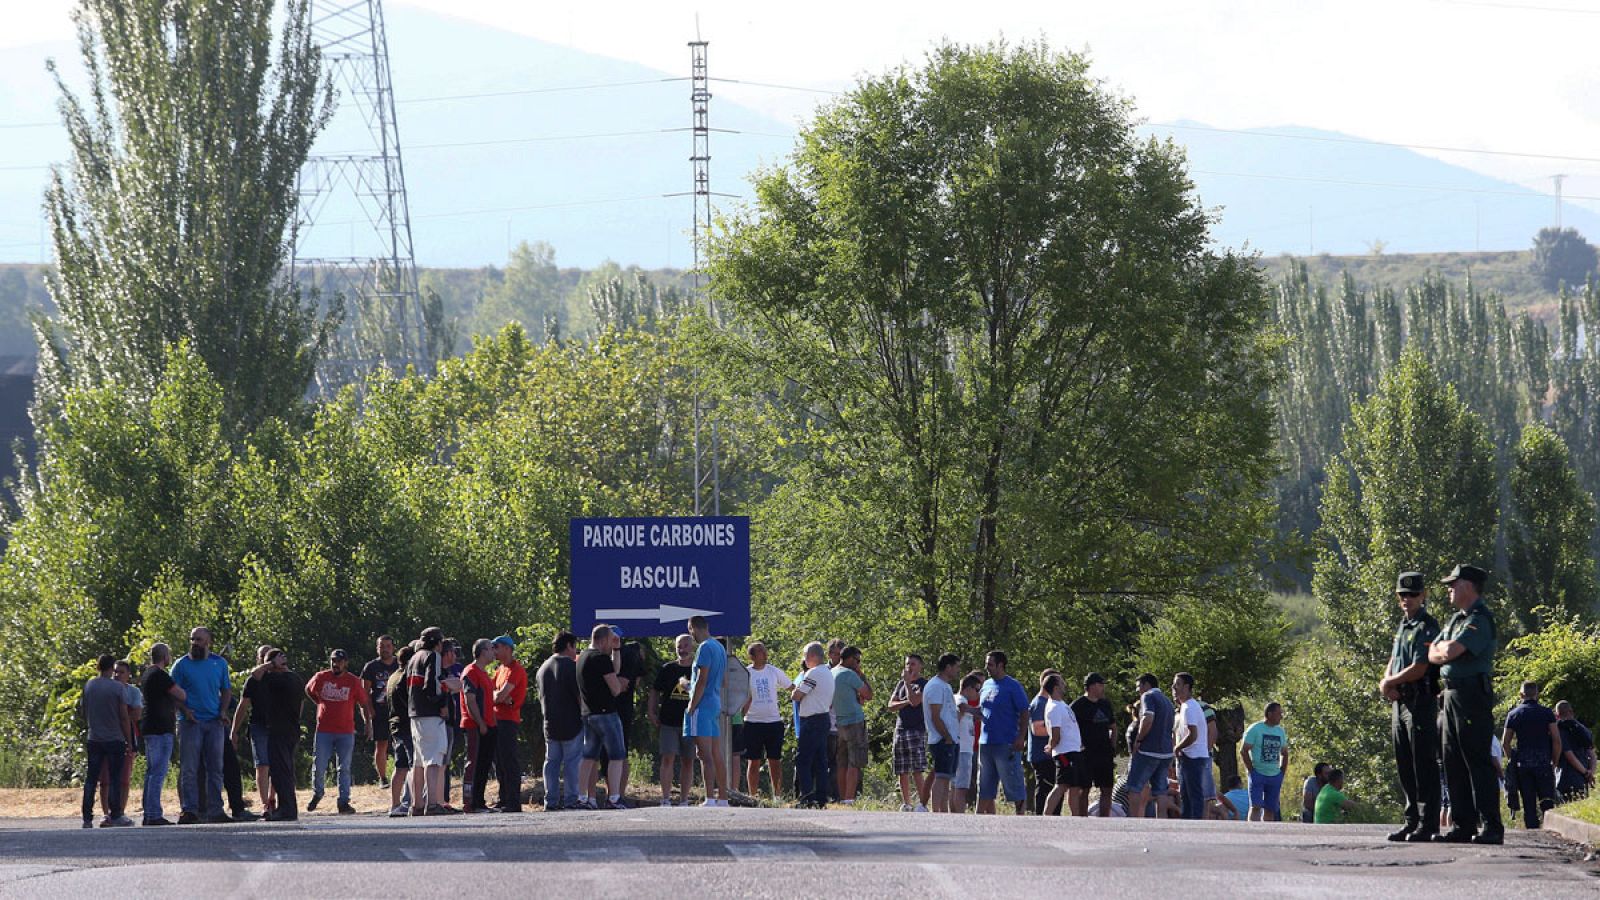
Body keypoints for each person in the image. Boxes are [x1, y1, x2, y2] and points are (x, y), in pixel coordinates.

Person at [1428, 564, 1503, 844]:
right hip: (1450, 694)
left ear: (1468, 586)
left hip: (1471, 694)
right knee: (1452, 761)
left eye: (1453, 584)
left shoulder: (1480, 619)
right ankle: (1463, 825)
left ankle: (1491, 826)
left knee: (1476, 760)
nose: (1449, 588)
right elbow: (1432, 651)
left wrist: (1444, 651)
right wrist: (1443, 651)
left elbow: (1451, 649)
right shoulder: (1455, 620)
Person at [1377, 571, 1442, 842]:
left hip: (1420, 701)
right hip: (1401, 700)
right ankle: (1411, 820)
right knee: (1405, 763)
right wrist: (1386, 682)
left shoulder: (1427, 626)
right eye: (1403, 594)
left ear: (1423, 595)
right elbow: (1394, 659)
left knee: (1422, 764)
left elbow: (1420, 666)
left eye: (1413, 594)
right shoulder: (1404, 625)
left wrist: (1390, 681)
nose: (1408, 599)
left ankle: (1428, 824)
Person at [170, 626, 232, 824]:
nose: (194, 643)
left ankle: (216, 810)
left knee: (216, 768)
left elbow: (226, 690)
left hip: (214, 722)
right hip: (190, 723)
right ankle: (190, 810)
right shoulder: (181, 665)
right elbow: (171, 692)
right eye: (192, 639)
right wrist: (184, 710)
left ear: (208, 642)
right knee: (189, 768)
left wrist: (223, 711)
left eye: (198, 639)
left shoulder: (219, 663)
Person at [304, 649, 372, 814]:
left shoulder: (353, 681)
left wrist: (368, 723)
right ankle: (318, 793)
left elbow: (364, 703)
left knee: (344, 767)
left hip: (345, 730)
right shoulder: (321, 677)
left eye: (339, 661)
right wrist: (319, 702)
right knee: (319, 764)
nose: (336, 664)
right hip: (324, 729)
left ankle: (343, 801)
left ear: (345, 663)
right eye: (333, 661)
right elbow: (308, 689)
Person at [407, 626, 463, 815]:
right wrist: (443, 698)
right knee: (433, 759)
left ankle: (416, 804)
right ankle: (432, 803)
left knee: (418, 762)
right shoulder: (433, 656)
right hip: (430, 714)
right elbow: (431, 686)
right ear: (438, 643)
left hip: (414, 713)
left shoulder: (413, 658)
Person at [578, 625, 632, 810]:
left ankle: (582, 797)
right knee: (617, 755)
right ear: (602, 640)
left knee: (589, 756)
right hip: (606, 713)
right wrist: (619, 686)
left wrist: (616, 650)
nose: (612, 644)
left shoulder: (583, 656)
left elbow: (613, 669)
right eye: (611, 640)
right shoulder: (600, 658)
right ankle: (614, 797)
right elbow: (616, 689)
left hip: (588, 713)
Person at [81, 654, 134, 828]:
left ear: (98, 667)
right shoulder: (117, 688)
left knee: (91, 779)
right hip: (114, 737)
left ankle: (87, 817)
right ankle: (116, 814)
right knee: (115, 778)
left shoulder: (89, 685)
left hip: (94, 737)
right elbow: (124, 716)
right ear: (111, 668)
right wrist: (129, 740)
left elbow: (84, 710)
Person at [252, 648, 305, 822]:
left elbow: (255, 674)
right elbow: (302, 704)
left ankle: (287, 809)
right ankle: (287, 807)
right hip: (291, 729)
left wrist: (270, 665)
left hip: (280, 730)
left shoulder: (278, 679)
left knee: (280, 771)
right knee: (286, 769)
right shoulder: (295, 678)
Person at [1501, 680, 1561, 830]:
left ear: (1521, 695)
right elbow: (1556, 740)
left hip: (1523, 764)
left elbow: (1505, 742)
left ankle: (1533, 833)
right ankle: (1549, 831)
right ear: (1537, 694)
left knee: (1529, 804)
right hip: (1544, 762)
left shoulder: (1514, 714)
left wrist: (1512, 759)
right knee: (1547, 802)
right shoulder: (1546, 713)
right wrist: (1554, 761)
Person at [977, 651, 1029, 816]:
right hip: (986, 743)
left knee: (1013, 784)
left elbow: (1024, 711)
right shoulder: (986, 685)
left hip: (1006, 743)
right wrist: (967, 709)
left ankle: (1021, 818)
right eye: (986, 664)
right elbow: (982, 710)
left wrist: (1021, 736)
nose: (987, 667)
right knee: (984, 786)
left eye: (990, 664)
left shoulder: (1013, 686)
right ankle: (977, 819)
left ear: (1001, 665)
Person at [138, 643, 185, 826]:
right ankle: (153, 813)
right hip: (160, 728)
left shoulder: (147, 674)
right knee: (158, 771)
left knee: (151, 772)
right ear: (165, 656)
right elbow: (181, 695)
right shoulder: (160, 675)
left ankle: (148, 812)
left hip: (149, 726)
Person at [685, 615, 729, 807]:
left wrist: (692, 705)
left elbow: (702, 679)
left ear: (693, 628)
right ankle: (723, 798)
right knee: (717, 753)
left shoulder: (704, 648)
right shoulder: (719, 647)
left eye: (690, 630)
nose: (691, 635)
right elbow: (724, 680)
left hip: (702, 705)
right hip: (715, 702)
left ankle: (710, 797)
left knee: (704, 755)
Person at [537, 631, 583, 811]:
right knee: (572, 763)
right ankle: (571, 800)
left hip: (549, 722)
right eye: (575, 647)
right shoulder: (571, 667)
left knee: (551, 763)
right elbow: (579, 696)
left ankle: (551, 801)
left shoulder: (543, 668)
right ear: (569, 645)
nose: (575, 651)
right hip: (572, 722)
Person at [649, 633, 697, 806]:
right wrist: (652, 712)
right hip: (668, 721)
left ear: (692, 647)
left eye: (685, 646)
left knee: (688, 760)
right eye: (679, 646)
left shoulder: (698, 669)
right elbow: (655, 691)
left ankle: (684, 800)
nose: (682, 650)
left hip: (691, 722)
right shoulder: (667, 669)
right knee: (667, 758)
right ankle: (665, 799)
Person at [230, 646, 277, 818]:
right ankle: (265, 804)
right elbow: (243, 705)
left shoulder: (280, 677)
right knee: (262, 765)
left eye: (269, 655)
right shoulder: (253, 680)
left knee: (277, 765)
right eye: (263, 655)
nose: (266, 658)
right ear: (258, 658)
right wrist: (234, 730)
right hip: (258, 725)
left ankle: (272, 799)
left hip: (278, 726)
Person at [741, 640, 791, 801]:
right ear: (752, 656)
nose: (765, 653)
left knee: (775, 761)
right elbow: (739, 695)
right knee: (753, 761)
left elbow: (791, 687)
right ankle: (753, 796)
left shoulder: (773, 671)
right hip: (752, 722)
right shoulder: (746, 673)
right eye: (761, 651)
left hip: (773, 722)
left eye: (765, 650)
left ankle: (777, 796)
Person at [791, 642, 835, 809]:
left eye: (805, 656)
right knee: (820, 761)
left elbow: (797, 695)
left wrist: (795, 690)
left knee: (803, 760)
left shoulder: (813, 673)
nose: (804, 660)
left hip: (811, 720)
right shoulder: (827, 672)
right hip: (823, 717)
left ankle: (807, 797)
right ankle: (822, 798)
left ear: (812, 656)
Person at [1126, 672, 1175, 820]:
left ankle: (1133, 820)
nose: (1138, 691)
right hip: (1166, 752)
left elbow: (1148, 718)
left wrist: (1139, 740)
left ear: (1147, 684)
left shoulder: (1148, 696)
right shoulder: (1168, 701)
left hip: (1148, 750)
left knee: (1134, 787)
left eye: (1139, 686)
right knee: (1161, 790)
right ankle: (1162, 821)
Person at [1068, 673, 1117, 818]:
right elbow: (1069, 729)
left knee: (1107, 789)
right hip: (1085, 755)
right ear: (1092, 686)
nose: (1103, 688)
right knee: (1084, 789)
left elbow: (1113, 727)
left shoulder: (1105, 704)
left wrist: (1112, 747)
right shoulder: (1077, 706)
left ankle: (1104, 820)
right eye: (1101, 685)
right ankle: (1083, 820)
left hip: (1104, 754)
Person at [459, 639, 498, 813]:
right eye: (491, 648)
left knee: (483, 764)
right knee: (473, 764)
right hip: (475, 725)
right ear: (482, 651)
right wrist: (480, 723)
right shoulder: (471, 672)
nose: (494, 652)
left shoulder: (484, 673)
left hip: (488, 725)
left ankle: (479, 802)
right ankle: (469, 803)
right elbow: (470, 700)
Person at [830, 645, 872, 806]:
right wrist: (862, 675)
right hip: (854, 722)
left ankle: (843, 798)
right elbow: (868, 694)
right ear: (849, 658)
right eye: (857, 660)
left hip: (839, 723)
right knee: (854, 763)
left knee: (842, 762)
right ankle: (849, 799)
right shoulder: (849, 674)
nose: (858, 664)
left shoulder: (832, 672)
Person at [887, 654, 929, 812]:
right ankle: (907, 803)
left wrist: (907, 684)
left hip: (916, 730)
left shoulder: (924, 684)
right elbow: (891, 705)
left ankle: (923, 804)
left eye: (913, 664)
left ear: (920, 666)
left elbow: (916, 701)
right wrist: (906, 702)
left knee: (917, 769)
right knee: (902, 769)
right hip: (900, 729)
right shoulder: (900, 684)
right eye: (907, 664)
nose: (909, 667)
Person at [101, 660, 142, 823]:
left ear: (128, 675)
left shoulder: (134, 692)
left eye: (121, 672)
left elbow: (136, 715)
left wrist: (120, 716)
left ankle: (120, 812)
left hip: (127, 736)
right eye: (115, 672)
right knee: (105, 779)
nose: (117, 675)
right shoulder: (106, 690)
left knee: (124, 779)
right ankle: (106, 813)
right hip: (107, 737)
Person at [489, 635, 526, 812]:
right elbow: (491, 693)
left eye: (496, 647)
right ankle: (503, 798)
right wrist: (498, 696)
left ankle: (513, 801)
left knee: (509, 761)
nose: (494, 651)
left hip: (509, 720)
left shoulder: (516, 669)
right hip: (497, 719)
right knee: (499, 761)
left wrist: (499, 696)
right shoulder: (500, 669)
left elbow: (500, 695)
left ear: (507, 648)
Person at [922, 653, 961, 813]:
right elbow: (935, 715)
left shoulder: (946, 686)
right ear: (948, 667)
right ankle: (936, 811)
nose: (958, 670)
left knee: (946, 779)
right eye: (956, 666)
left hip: (951, 739)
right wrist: (946, 737)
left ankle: (943, 813)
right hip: (942, 739)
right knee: (941, 776)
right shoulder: (936, 686)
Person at [1240, 702, 1290, 822]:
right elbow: (1244, 750)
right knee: (1256, 806)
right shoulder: (1255, 729)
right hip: (1258, 774)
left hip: (1274, 775)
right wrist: (1251, 770)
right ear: (1270, 714)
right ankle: (1253, 830)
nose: (1281, 716)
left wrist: (1281, 772)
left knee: (1270, 809)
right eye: (1279, 713)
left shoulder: (1280, 731)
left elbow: (1284, 753)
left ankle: (1267, 832)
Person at [361, 635, 399, 788]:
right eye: (382, 646)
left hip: (399, 710)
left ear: (393, 647)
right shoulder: (371, 667)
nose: (385, 649)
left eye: (388, 646)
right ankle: (383, 778)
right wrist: (369, 711)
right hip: (380, 711)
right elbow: (364, 692)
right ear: (377, 648)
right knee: (381, 744)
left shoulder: (400, 663)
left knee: (402, 743)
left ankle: (402, 775)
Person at [1171, 672, 1210, 821]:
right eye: (1174, 684)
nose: (1174, 687)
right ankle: (1187, 824)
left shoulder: (1189, 707)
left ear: (1187, 687)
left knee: (1194, 795)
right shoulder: (1185, 707)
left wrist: (1177, 747)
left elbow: (1193, 734)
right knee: (1185, 795)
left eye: (1178, 684)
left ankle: (1195, 825)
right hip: (1188, 757)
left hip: (1193, 756)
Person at [1042, 673, 1081, 817]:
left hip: (1074, 751)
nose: (1064, 684)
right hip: (1065, 753)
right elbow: (1055, 734)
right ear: (1056, 687)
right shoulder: (1053, 707)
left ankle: (1075, 818)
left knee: (1075, 787)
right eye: (1061, 682)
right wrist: (1051, 746)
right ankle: (1046, 816)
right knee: (1061, 785)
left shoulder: (1061, 705)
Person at [385, 644, 416, 817]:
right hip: (406, 724)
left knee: (400, 766)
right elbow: (409, 700)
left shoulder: (392, 676)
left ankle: (395, 804)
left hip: (395, 724)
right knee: (413, 765)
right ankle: (411, 802)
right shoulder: (405, 677)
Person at [1028, 669, 1061, 817]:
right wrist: (1058, 732)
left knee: (1053, 787)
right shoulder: (1039, 703)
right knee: (1045, 788)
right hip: (1042, 756)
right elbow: (1037, 729)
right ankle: (1042, 819)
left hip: (1050, 755)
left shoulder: (1050, 703)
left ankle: (1053, 817)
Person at [952, 672, 984, 814]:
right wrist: (977, 711)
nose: (978, 693)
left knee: (955, 786)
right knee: (961, 787)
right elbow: (962, 707)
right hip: (962, 749)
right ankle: (959, 815)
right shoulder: (960, 699)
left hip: (964, 748)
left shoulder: (960, 700)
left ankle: (953, 813)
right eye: (977, 690)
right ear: (968, 688)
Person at [1555, 701, 1595, 802]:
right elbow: (1592, 755)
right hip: (1582, 779)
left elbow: (1569, 755)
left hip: (1565, 777)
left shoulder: (1559, 731)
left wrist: (1585, 772)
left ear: (1557, 715)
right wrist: (1590, 773)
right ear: (1572, 711)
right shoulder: (1584, 730)